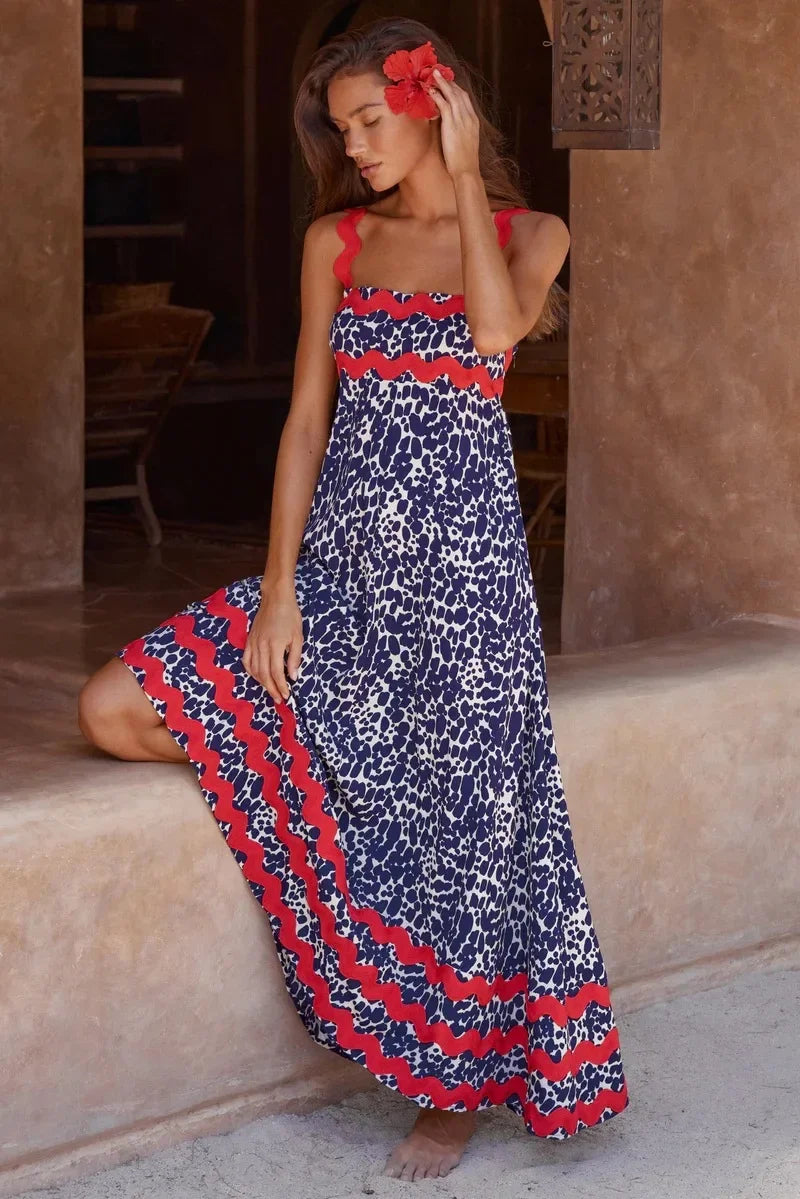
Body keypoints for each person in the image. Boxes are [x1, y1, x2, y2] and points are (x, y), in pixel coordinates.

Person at [78, 16, 629, 1183]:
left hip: (466, 599)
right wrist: (278, 592)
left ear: (435, 101)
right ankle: (336, 835)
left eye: (370, 120)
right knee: (115, 706)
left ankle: (451, 1087)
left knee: (467, 838)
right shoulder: (336, 240)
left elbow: (493, 330)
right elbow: (303, 423)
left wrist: (467, 178)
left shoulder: (533, 233)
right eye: (341, 131)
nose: (356, 147)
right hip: (339, 582)